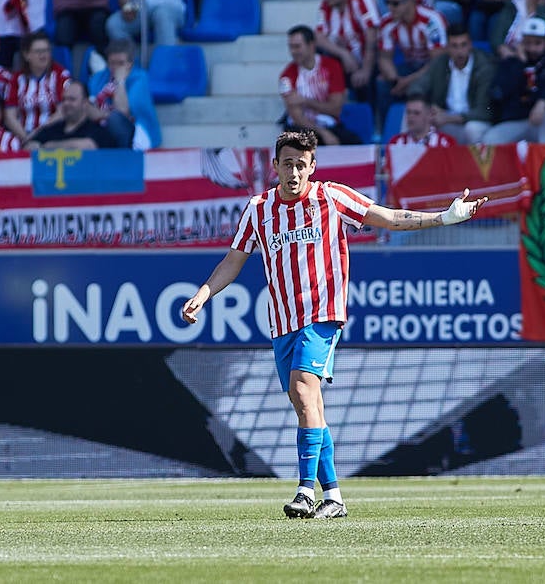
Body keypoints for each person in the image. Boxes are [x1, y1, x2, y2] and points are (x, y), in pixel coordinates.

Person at [181, 128, 483, 519]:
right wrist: (203, 294)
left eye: (301, 165)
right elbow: (234, 260)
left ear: (313, 167)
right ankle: (334, 497)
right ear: (274, 166)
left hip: (322, 315)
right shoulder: (258, 209)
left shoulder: (331, 196)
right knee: (308, 406)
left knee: (303, 390)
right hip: (282, 322)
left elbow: (389, 217)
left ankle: (305, 491)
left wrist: (444, 217)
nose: (294, 172)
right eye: (287, 164)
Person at [484, 17, 545, 143]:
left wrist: (543, 102)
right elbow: (499, 92)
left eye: (537, 43)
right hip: (521, 121)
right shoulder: (511, 63)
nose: (532, 48)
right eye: (528, 43)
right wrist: (519, 64)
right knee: (491, 139)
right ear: (521, 43)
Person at [279, 25, 358, 146]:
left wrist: (305, 101)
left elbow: (335, 109)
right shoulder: (286, 76)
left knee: (355, 143)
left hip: (330, 125)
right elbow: (296, 116)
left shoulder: (332, 67)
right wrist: (323, 133)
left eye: (297, 47)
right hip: (301, 129)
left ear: (311, 46)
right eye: (291, 47)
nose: (293, 52)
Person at [377, 0, 448, 103]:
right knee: (382, 82)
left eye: (395, 3)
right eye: (387, 2)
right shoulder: (387, 22)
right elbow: (384, 58)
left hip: (433, 69)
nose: (390, 7)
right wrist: (395, 80)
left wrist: (407, 81)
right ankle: (388, 122)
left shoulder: (431, 21)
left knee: (416, 87)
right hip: (410, 66)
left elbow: (437, 62)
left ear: (410, 1)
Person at [420, 23, 493, 144]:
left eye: (463, 45)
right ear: (447, 47)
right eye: (454, 46)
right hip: (447, 119)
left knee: (472, 129)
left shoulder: (484, 67)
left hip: (474, 121)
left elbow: (484, 111)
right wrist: (428, 108)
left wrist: (449, 118)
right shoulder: (440, 63)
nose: (460, 52)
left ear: (470, 45)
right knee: (417, 117)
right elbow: (419, 86)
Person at [315, 0, 379, 100]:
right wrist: (343, 54)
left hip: (370, 59)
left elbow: (372, 36)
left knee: (366, 78)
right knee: (315, 52)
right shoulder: (325, 6)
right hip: (346, 60)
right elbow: (318, 37)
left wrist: (365, 70)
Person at [88, 38, 162, 149]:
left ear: (130, 64)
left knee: (115, 120)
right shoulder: (98, 78)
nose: (116, 67)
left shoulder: (139, 78)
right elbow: (88, 106)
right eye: (112, 63)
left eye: (121, 63)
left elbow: (122, 111)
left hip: (136, 130)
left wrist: (120, 81)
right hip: (103, 128)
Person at [10, 31, 71, 140]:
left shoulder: (61, 75)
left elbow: (63, 111)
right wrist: (25, 137)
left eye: (46, 51)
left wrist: (38, 134)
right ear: (26, 55)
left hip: (53, 134)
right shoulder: (16, 79)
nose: (43, 55)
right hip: (22, 135)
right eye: (38, 51)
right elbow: (10, 116)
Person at [25, 78, 116, 151]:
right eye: (64, 99)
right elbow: (29, 147)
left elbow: (88, 146)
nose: (66, 103)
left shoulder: (98, 131)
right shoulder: (52, 129)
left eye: (72, 99)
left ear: (85, 103)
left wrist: (48, 146)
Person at [388, 94, 457, 147]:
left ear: (430, 115)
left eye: (416, 113)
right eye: (408, 112)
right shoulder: (396, 143)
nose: (411, 117)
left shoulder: (446, 143)